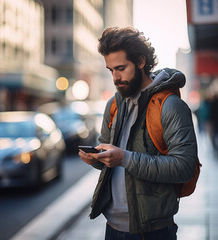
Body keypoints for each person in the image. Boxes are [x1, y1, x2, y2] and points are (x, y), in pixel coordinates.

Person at [78, 27, 198, 240]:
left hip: (152, 231)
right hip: (112, 227)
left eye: (121, 68)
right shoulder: (114, 105)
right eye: (111, 70)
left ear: (141, 62)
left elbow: (185, 167)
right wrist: (95, 158)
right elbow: (109, 159)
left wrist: (125, 158)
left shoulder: (170, 106)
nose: (115, 77)